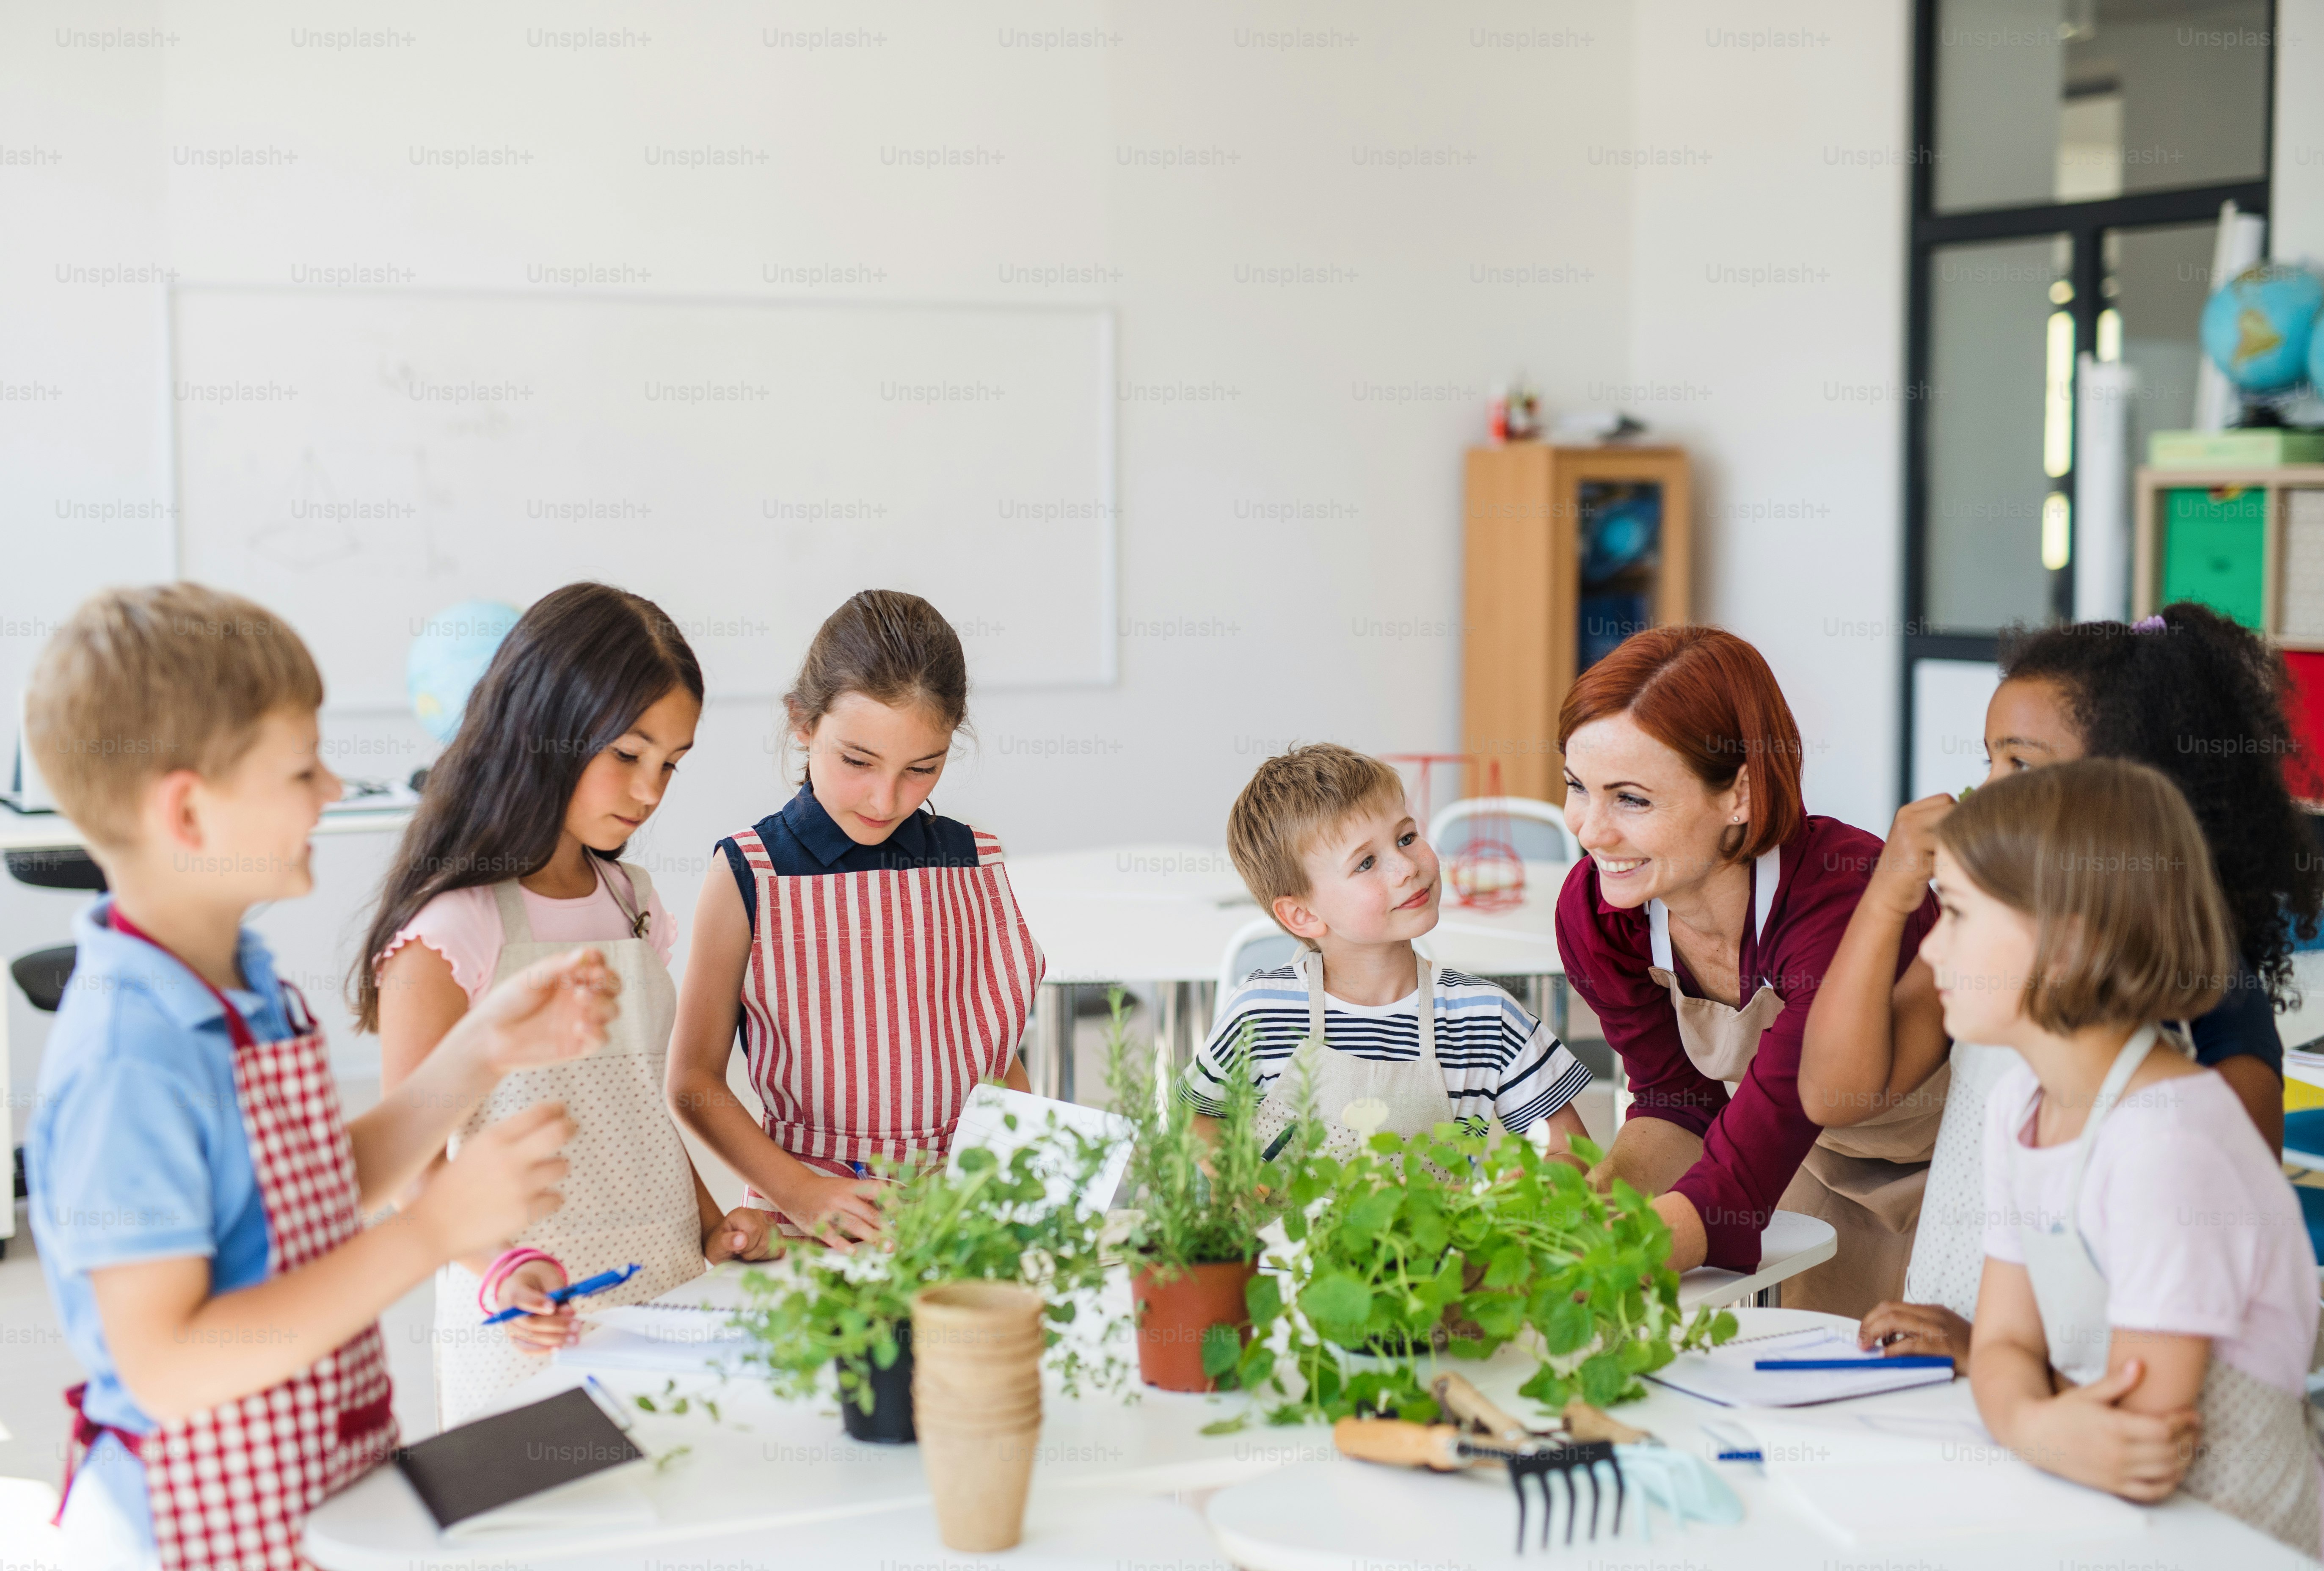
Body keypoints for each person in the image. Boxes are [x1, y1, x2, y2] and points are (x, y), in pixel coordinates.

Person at [25, 583, 615, 1570]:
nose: (334, 788)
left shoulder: (240, 979)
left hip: (307, 1489)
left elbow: (305, 1192)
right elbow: (168, 1365)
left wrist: (480, 1052)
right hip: (196, 1529)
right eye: (302, 767)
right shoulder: (131, 1056)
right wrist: (433, 1230)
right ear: (187, 807)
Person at [1813, 604, 2319, 1362]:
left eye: (2018, 766)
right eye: (1988, 762)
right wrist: (1890, 893)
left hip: (2086, 1386)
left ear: (2125, 796)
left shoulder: (2204, 987)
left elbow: (2207, 1256)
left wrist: (1998, 1353)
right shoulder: (1993, 946)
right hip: (1967, 1366)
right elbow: (1834, 1094)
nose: (1984, 793)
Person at [357, 582, 774, 1425]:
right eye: (627, 752)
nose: (651, 789)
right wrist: (505, 1271)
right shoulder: (450, 927)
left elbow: (640, 1108)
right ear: (540, 726)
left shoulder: (635, 900)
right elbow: (408, 1171)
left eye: (671, 762)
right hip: (524, 1312)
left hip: (665, 1286)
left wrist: (708, 1222)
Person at [1936, 759, 2321, 1553]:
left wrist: (2024, 1414)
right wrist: (2032, 1420)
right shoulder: (2020, 1105)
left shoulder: (2164, 1144)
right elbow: (2002, 1346)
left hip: (2232, 1537)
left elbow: (2142, 1447)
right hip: (2114, 1513)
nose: (1934, 950)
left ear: (2070, 940)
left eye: (1956, 915)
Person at [1554, 626, 1944, 1315]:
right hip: (1805, 1158)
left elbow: (1731, 1191)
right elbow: (1678, 1102)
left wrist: (1571, 1265)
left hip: (1954, 1165)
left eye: (1630, 799)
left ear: (1739, 793)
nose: (1590, 830)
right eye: (1577, 788)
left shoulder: (1840, 898)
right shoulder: (1600, 914)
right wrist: (1591, 1202)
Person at [666, 590, 1043, 1248]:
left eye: (922, 768)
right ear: (803, 723)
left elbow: (995, 1050)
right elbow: (692, 1081)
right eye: (857, 762)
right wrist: (801, 1194)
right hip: (806, 1216)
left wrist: (1024, 1175)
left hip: (964, 1214)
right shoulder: (750, 872)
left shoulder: (974, 862)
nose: (885, 798)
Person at [1179, 744, 1593, 1160]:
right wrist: (1239, 1180)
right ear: (1302, 914)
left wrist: (1537, 1183)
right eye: (1366, 863)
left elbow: (1570, 1153)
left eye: (1407, 838)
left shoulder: (1486, 1016)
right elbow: (1199, 1119)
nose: (1407, 867)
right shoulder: (1261, 1011)